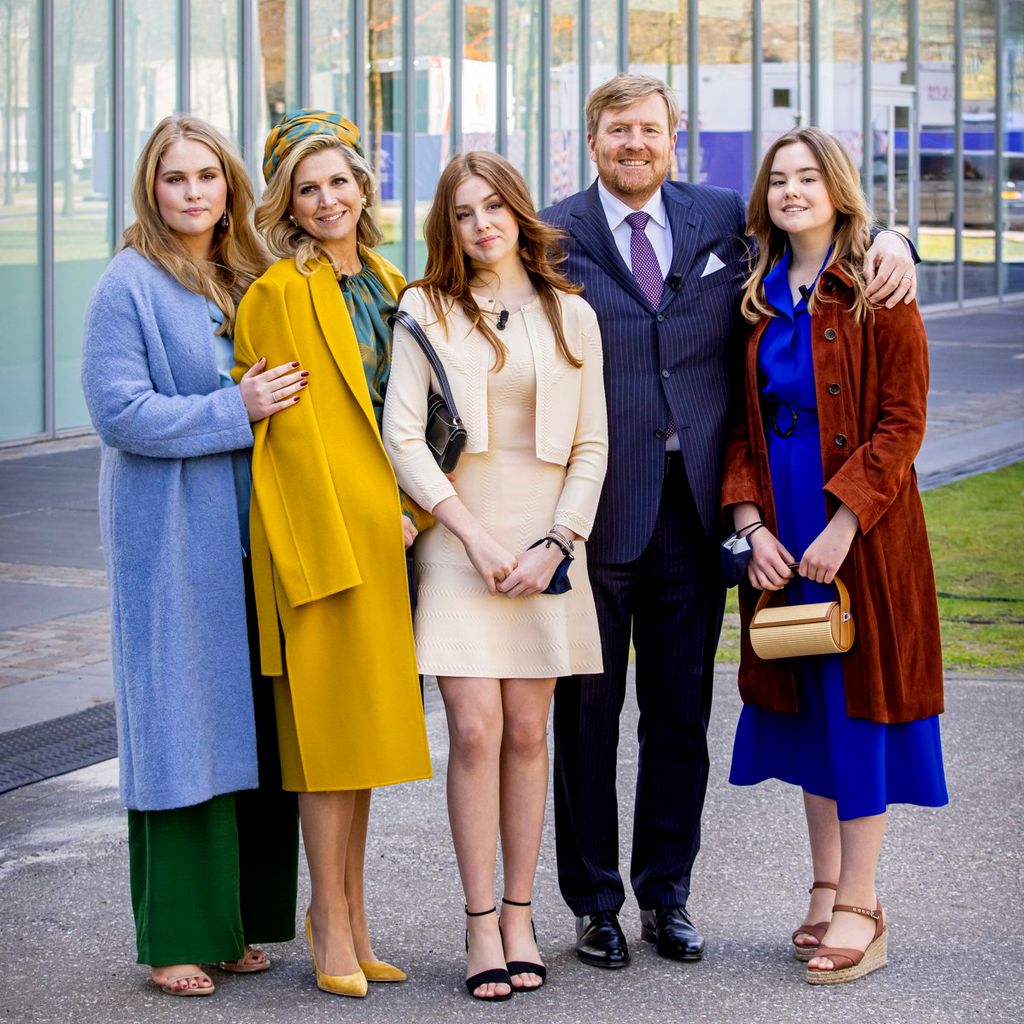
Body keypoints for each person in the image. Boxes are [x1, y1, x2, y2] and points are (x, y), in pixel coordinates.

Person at [541, 73, 920, 969]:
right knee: (586, 718)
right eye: (617, 131)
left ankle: (667, 896)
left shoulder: (720, 218)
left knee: (680, 718)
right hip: (593, 510)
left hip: (699, 511)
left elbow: (816, 225)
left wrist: (894, 235)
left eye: (649, 129)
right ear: (591, 141)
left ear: (675, 135)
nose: (634, 144)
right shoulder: (552, 232)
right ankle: (595, 903)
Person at [722, 126, 947, 984]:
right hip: (778, 517)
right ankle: (822, 887)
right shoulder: (759, 292)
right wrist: (750, 527)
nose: (790, 190)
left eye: (808, 177)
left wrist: (843, 523)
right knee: (808, 703)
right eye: (778, 179)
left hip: (863, 526)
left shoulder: (879, 287)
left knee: (856, 710)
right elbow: (740, 424)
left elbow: (904, 423)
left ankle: (862, 901)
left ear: (839, 189)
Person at [81, 114, 300, 997]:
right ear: (151, 187)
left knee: (252, 724)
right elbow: (119, 412)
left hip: (256, 538)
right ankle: (175, 936)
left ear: (231, 185)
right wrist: (229, 411)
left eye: (208, 176)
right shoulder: (126, 283)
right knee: (182, 731)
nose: (195, 192)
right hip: (170, 541)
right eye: (176, 179)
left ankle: (238, 928)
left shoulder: (246, 272)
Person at [383, 151, 608, 1000]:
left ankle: (522, 914)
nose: (482, 225)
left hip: (548, 543)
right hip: (458, 538)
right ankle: (480, 922)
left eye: (495, 208)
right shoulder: (425, 309)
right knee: (474, 730)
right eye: (464, 212)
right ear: (450, 225)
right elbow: (403, 437)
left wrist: (557, 543)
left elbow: (594, 443)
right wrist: (474, 538)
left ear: (519, 213)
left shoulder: (571, 316)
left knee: (526, 731)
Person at [233, 110, 432, 1000]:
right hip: (328, 541)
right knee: (325, 746)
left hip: (397, 533)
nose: (326, 200)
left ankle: (349, 914)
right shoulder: (279, 290)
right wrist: (370, 514)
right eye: (307, 188)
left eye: (339, 183)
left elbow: (419, 410)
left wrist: (415, 510)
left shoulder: (394, 280)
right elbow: (294, 435)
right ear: (287, 201)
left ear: (363, 187)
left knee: (363, 743)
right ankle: (332, 922)